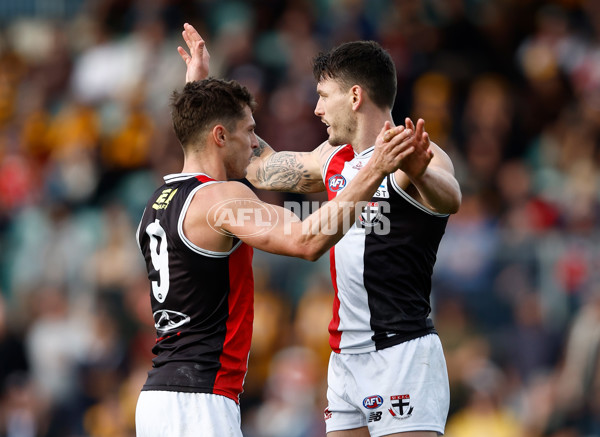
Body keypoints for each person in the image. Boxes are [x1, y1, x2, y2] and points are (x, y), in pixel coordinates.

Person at [178, 22, 462, 437]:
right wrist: (204, 95)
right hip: (344, 355)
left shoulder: (410, 151)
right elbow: (257, 167)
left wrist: (419, 171)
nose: (317, 109)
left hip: (400, 350)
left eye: (324, 96)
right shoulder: (331, 158)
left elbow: (450, 197)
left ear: (355, 96)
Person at [134, 75, 418, 435]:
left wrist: (198, 89)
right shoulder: (222, 200)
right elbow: (306, 240)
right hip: (199, 399)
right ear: (220, 136)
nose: (255, 144)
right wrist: (376, 168)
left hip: (158, 398)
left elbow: (201, 135)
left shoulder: (157, 203)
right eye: (250, 131)